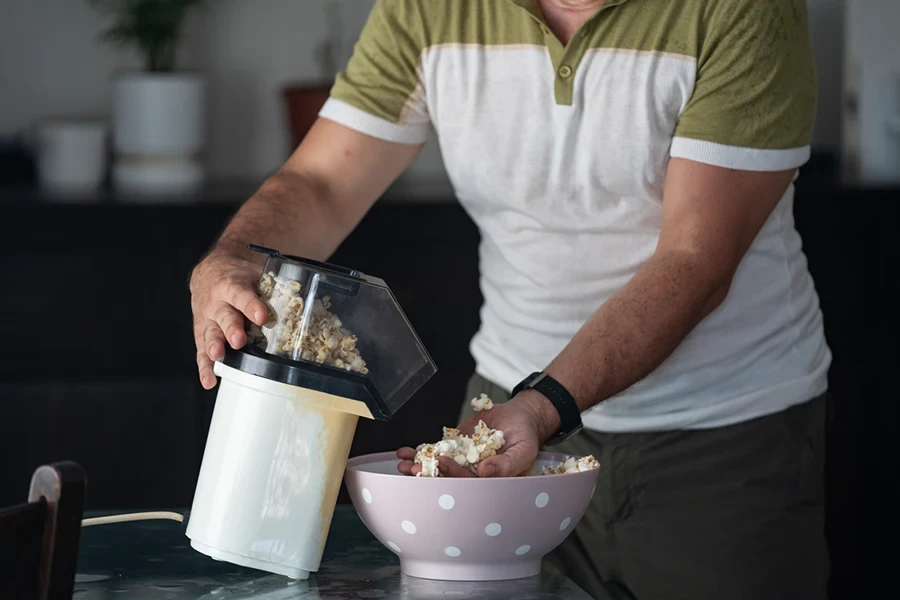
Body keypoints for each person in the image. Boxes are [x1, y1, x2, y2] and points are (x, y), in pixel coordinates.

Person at [189, 1, 830, 598]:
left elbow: (694, 262)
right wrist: (239, 253)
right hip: (500, 425)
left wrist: (542, 406)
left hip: (720, 439)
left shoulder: (744, 9)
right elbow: (323, 181)